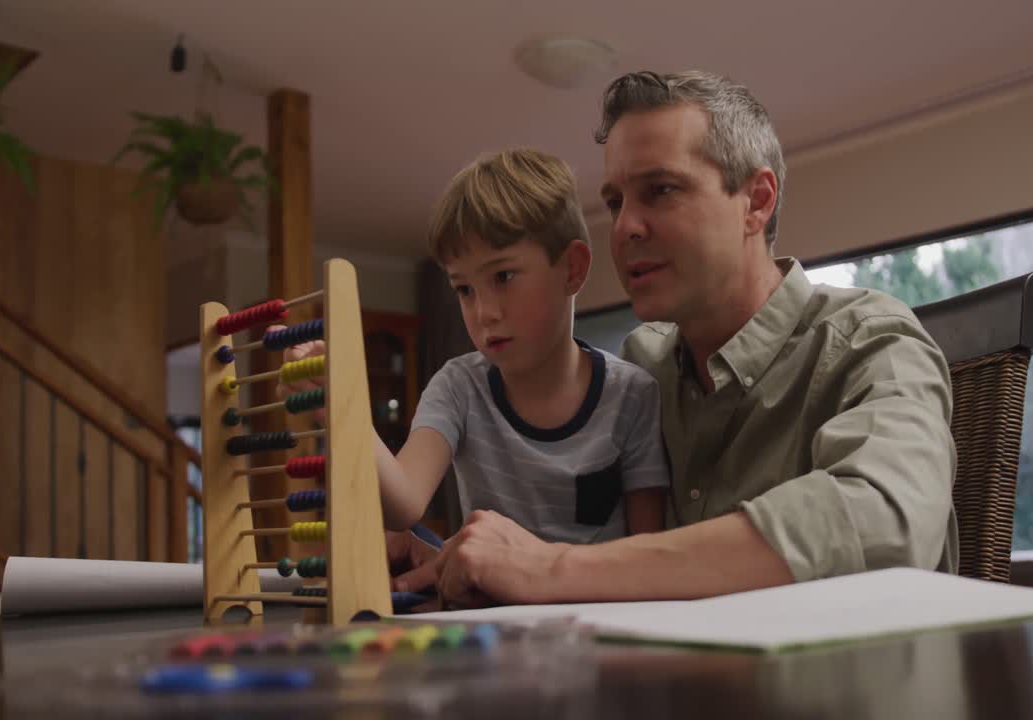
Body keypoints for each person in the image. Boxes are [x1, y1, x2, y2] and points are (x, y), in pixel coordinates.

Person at [409, 70, 959, 607]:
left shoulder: (872, 340)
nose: (624, 227)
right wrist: (446, 555)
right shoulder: (639, 370)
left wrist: (549, 566)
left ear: (756, 201)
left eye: (660, 190)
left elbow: (885, 520)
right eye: (617, 200)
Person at [277, 147, 671, 558]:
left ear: (572, 268)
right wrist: (342, 409)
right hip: (489, 617)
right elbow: (404, 503)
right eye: (464, 289)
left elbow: (645, 556)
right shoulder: (458, 387)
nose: (484, 313)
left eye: (503, 276)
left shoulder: (634, 395)